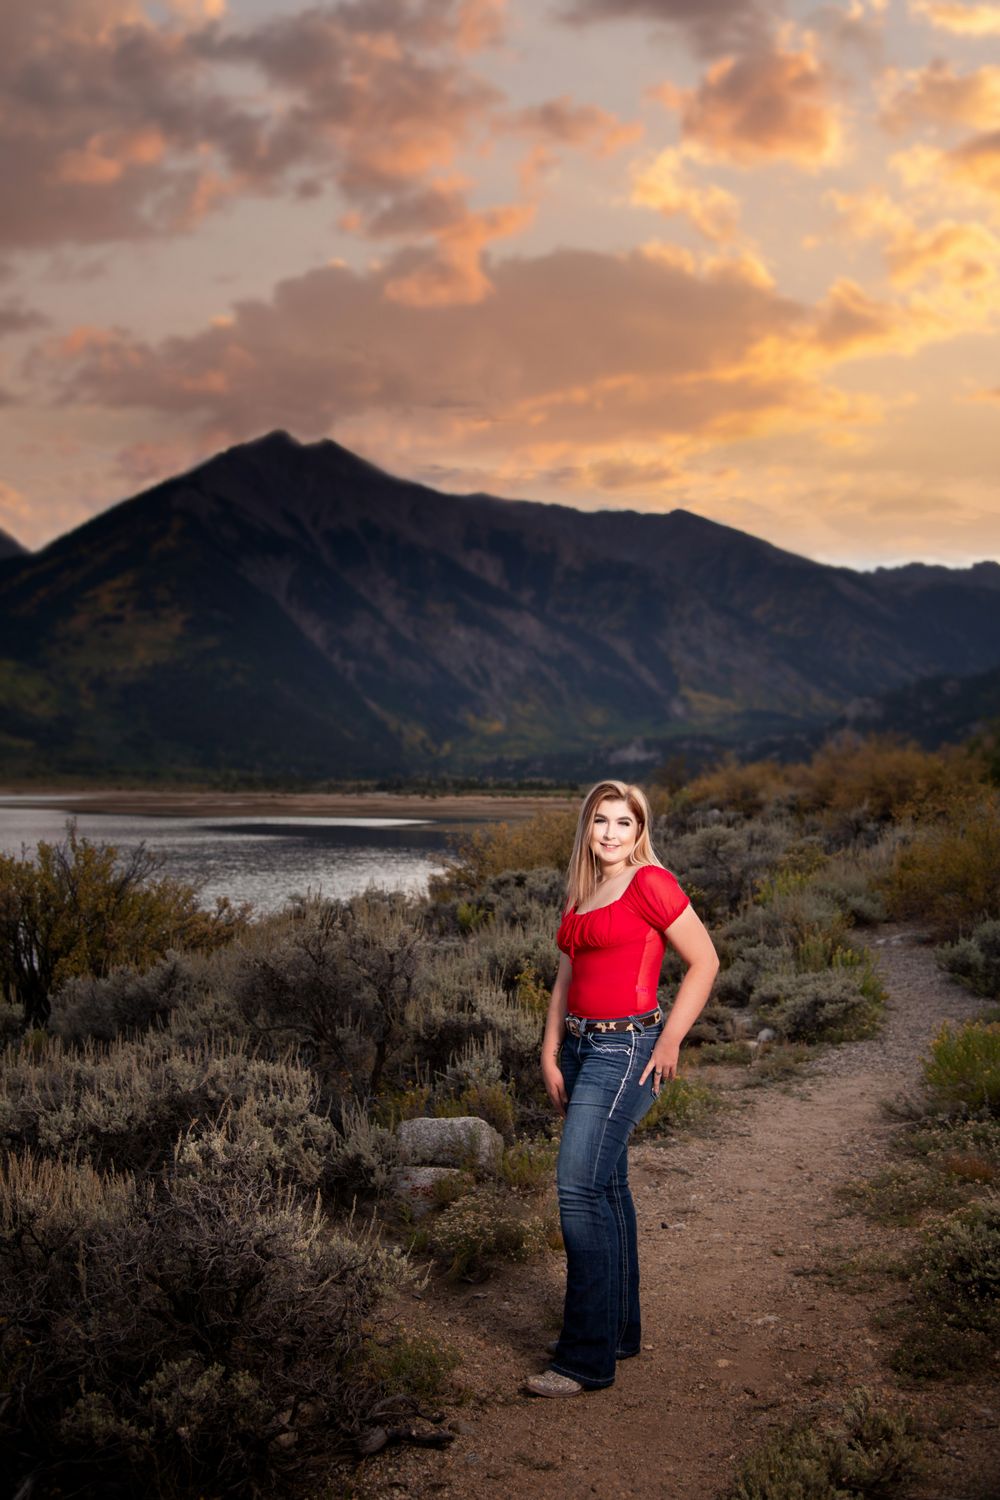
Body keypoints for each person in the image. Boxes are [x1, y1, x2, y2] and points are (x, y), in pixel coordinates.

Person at [525, 778, 719, 1397]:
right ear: (587, 827)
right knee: (606, 1187)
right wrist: (550, 1051)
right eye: (601, 821)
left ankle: (585, 1359)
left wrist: (670, 1040)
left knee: (577, 1187)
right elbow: (565, 980)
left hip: (627, 1045)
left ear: (640, 831)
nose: (610, 833)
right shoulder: (583, 894)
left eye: (624, 823)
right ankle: (616, 1331)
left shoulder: (649, 883)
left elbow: (705, 961)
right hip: (581, 1047)